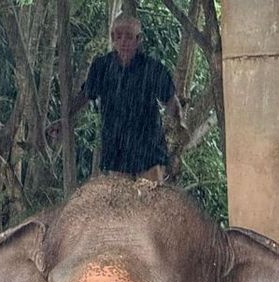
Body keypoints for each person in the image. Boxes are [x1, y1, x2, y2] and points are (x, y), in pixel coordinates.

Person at [50, 13, 187, 181]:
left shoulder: (152, 68)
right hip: (116, 150)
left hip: (148, 150)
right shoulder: (101, 67)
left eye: (129, 36)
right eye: (119, 36)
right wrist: (64, 119)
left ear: (139, 39)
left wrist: (179, 123)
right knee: (120, 202)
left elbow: (171, 100)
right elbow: (85, 96)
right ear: (112, 37)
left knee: (152, 201)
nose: (123, 41)